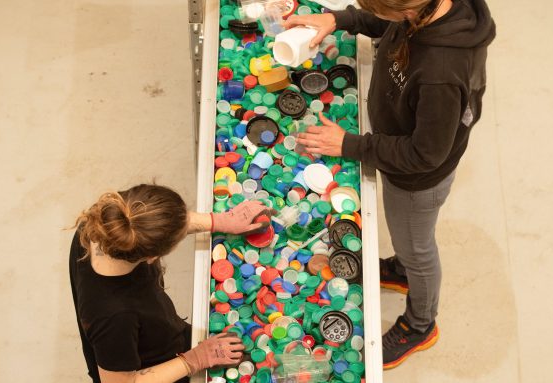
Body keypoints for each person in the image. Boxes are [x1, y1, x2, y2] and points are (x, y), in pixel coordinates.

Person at [286, 0, 495, 369]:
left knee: (417, 247)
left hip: (416, 179)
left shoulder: (440, 73)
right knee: (406, 238)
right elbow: (388, 25)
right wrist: (340, 19)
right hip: (403, 144)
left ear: (408, 13)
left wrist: (350, 145)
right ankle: (400, 268)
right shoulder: (434, 8)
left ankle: (420, 324)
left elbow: (425, 154)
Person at [69, 184, 274, 382]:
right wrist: (194, 360)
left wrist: (217, 220)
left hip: (157, 332)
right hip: (152, 366)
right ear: (152, 257)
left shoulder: (103, 224)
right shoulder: (114, 316)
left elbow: (153, 220)